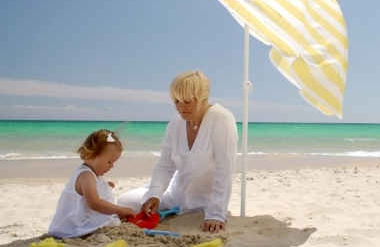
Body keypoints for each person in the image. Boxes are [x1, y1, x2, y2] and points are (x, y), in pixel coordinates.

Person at [117, 71, 238, 234]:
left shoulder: (221, 119)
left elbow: (225, 169)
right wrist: (155, 195)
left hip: (205, 202)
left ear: (203, 97)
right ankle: (151, 191)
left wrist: (216, 214)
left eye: (186, 101)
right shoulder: (174, 124)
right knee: (124, 202)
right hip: (175, 195)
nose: (180, 107)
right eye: (176, 101)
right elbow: (165, 166)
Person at [48, 129, 136, 238]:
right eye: (109, 162)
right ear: (93, 154)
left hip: (81, 220)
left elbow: (92, 189)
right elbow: (94, 203)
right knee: (108, 220)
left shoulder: (91, 174)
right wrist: (120, 210)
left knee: (110, 218)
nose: (112, 166)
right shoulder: (86, 175)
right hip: (74, 226)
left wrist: (105, 185)